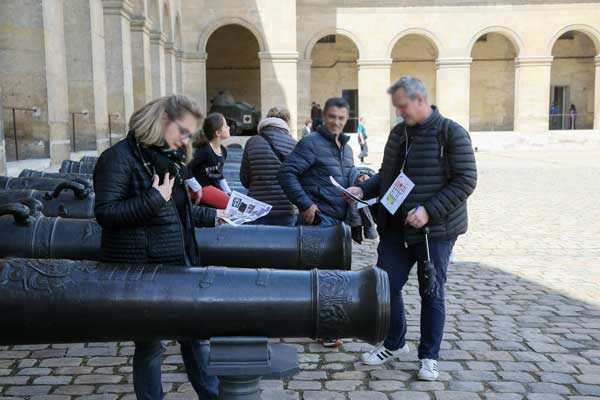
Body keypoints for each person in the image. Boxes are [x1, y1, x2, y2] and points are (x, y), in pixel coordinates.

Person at [344, 76, 477, 381]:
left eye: (403, 107)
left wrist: (429, 211)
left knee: (431, 291)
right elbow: (387, 175)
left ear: (420, 101)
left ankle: (429, 356)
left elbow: (466, 180)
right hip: (394, 226)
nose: (400, 113)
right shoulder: (398, 133)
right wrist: (363, 191)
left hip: (435, 232)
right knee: (385, 286)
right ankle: (395, 342)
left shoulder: (451, 133)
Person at [93, 95, 222, 400]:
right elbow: (106, 213)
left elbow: (176, 212)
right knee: (151, 345)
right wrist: (153, 198)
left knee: (195, 336)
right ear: (163, 121)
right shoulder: (118, 158)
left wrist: (214, 216)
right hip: (143, 269)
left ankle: (212, 396)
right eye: (183, 131)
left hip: (178, 261)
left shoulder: (169, 160)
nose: (187, 139)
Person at [279, 97, 359, 347]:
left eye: (341, 118)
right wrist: (305, 205)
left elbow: (346, 176)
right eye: (332, 116)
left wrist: (359, 178)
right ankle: (324, 330)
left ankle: (326, 327)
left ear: (347, 120)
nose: (336, 122)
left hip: (339, 223)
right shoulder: (310, 143)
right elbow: (286, 173)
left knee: (333, 278)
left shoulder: (347, 148)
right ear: (323, 117)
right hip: (319, 220)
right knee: (321, 280)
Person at [240, 106, 298, 226]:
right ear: (286, 122)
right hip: (285, 208)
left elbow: (245, 180)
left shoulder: (252, 142)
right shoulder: (294, 145)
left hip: (257, 208)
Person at [189, 113, 231, 194]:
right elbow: (187, 168)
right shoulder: (205, 151)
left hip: (215, 190)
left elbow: (219, 175)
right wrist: (197, 188)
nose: (229, 128)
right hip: (203, 189)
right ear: (218, 133)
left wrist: (228, 192)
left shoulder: (223, 150)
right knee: (227, 204)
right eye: (226, 126)